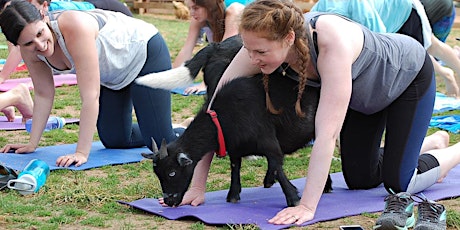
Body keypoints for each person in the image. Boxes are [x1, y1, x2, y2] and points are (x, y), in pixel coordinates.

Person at [166, 0, 460, 228]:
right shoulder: (260, 41)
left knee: (399, 184)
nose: (252, 59)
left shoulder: (331, 44)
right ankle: (429, 144)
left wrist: (306, 206)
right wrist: (197, 184)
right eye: (248, 50)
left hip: (407, 80)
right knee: (360, 178)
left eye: (260, 53)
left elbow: (327, 135)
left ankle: (453, 153)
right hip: (366, 97)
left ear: (289, 38)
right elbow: (215, 109)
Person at [0, 0, 183, 168]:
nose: (40, 45)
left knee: (161, 143)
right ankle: (162, 125)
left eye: (40, 33)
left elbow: (90, 96)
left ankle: (182, 130)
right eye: (29, 43)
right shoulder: (28, 50)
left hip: (145, 54)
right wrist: (32, 143)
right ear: (17, 44)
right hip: (112, 74)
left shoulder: (73, 26)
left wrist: (81, 152)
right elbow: (43, 94)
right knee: (115, 139)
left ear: (44, 16)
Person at [310, 0, 460, 99]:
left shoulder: (356, 10)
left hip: (405, 11)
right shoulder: (316, 15)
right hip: (385, 16)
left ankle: (449, 74)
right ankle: (446, 73)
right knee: (426, 49)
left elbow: (382, 45)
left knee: (430, 47)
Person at [0, 0, 133, 84]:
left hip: (112, 9)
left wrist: (2, 77)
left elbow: (19, 50)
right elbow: (19, 44)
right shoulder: (27, 22)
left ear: (43, 7)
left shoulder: (51, 16)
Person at [174, 0, 252, 95]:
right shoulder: (199, 17)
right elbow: (187, 48)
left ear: (208, 5)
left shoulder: (233, 11)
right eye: (190, 8)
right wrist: (172, 77)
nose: (191, 13)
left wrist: (206, 84)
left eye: (195, 8)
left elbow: (225, 52)